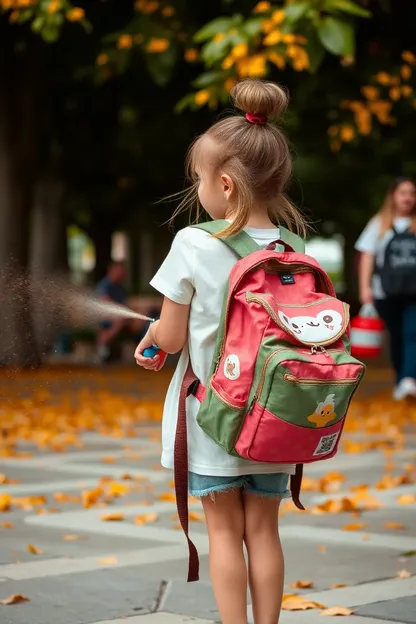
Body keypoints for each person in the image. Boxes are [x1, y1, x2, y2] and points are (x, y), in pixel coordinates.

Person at [134, 79, 308, 624]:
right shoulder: (292, 248)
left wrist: (152, 340)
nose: (198, 189)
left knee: (224, 533)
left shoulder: (193, 243)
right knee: (264, 530)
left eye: (199, 179)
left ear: (226, 184)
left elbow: (173, 337)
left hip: (213, 417)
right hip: (275, 417)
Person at [355, 177, 416, 400]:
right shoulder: (378, 223)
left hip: (413, 293)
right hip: (385, 292)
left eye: (411, 193)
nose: (408, 198)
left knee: (412, 332)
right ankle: (402, 380)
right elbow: (367, 257)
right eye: (403, 193)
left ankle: (409, 379)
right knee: (397, 336)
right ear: (393, 196)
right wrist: (365, 289)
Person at [96, 261, 143, 363]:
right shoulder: (105, 285)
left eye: (123, 271)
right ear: (111, 271)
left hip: (120, 317)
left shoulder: (119, 288)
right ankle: (103, 346)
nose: (122, 274)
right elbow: (105, 301)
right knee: (121, 319)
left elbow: (126, 303)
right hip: (106, 317)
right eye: (119, 270)